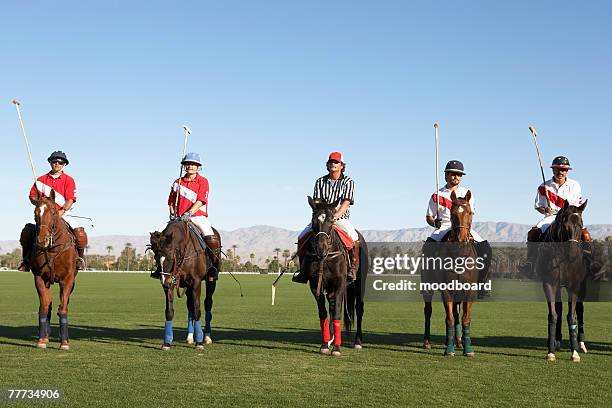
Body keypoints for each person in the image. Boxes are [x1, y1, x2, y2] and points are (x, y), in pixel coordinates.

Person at [424, 160, 492, 297]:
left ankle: (482, 284)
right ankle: (428, 283)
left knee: (486, 249)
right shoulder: (436, 195)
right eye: (453, 174)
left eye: (459, 175)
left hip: (463, 226)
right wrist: (435, 223)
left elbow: (470, 214)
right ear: (446, 175)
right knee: (427, 248)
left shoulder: (467, 193)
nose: (456, 177)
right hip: (444, 226)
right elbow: (429, 217)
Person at [151, 152, 221, 280]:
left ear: (198, 167)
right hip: (178, 219)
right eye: (188, 164)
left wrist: (189, 213)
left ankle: (214, 267)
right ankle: (159, 267)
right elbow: (171, 201)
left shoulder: (203, 181)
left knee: (210, 236)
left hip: (197, 216)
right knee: (158, 236)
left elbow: (201, 200)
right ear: (184, 166)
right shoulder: (177, 182)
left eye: (193, 164)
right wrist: (172, 213)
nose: (190, 166)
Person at [292, 152, 359, 283]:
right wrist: (321, 217)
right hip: (322, 218)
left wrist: (334, 216)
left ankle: (352, 268)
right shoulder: (320, 181)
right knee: (302, 237)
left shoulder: (348, 182)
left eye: (336, 162)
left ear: (341, 165)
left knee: (353, 236)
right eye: (331, 162)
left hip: (340, 218)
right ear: (327, 165)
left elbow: (346, 203)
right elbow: (317, 203)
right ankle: (303, 271)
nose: (333, 164)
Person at [523, 156, 594, 275]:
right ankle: (530, 263)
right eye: (558, 169)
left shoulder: (575, 185)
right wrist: (545, 209)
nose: (560, 172)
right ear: (553, 170)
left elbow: (578, 206)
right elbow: (537, 206)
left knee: (585, 235)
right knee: (533, 233)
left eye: (563, 170)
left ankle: (591, 264)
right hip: (551, 216)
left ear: (567, 171)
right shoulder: (544, 186)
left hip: (570, 217)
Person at [18, 151, 88, 271]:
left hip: (63, 213)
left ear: (64, 164)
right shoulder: (40, 180)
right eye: (54, 161)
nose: (57, 164)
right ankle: (26, 260)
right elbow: (32, 196)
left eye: (60, 162)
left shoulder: (69, 180)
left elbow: (70, 199)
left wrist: (62, 211)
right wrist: (38, 203)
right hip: (45, 215)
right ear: (50, 162)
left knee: (80, 234)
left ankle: (79, 259)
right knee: (27, 232)